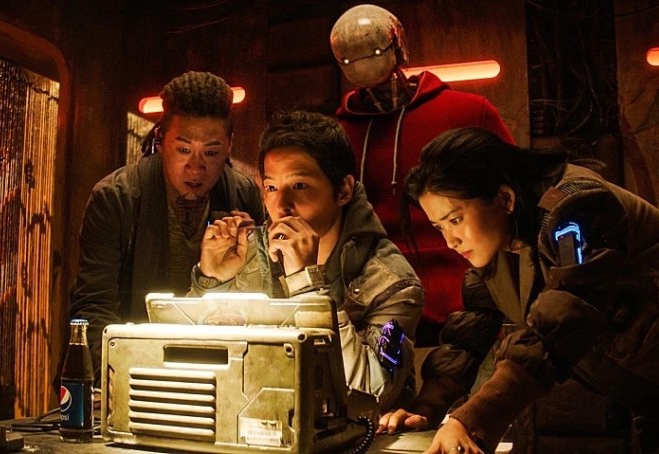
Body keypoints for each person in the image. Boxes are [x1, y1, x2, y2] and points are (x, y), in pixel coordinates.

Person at [395, 127, 659, 453]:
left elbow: (568, 308)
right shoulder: (496, 249)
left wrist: (474, 419)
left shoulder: (578, 209)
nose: (450, 241)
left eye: (455, 220)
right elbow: (468, 336)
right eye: (439, 226)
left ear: (504, 198)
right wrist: (426, 409)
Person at [189, 111, 424, 411]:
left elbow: (372, 393)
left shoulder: (391, 280)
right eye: (271, 188)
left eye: (299, 186)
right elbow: (193, 370)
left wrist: (308, 287)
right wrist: (212, 283)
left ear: (343, 190)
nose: (281, 205)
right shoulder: (249, 253)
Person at [330, 4, 515, 344]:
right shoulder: (337, 136)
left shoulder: (467, 113)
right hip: (378, 306)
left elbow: (518, 198)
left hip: (472, 303)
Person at [66, 71, 264, 378]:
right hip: (131, 364)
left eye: (211, 152)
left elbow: (260, 306)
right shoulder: (117, 198)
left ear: (229, 146)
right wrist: (112, 380)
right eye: (183, 149)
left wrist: (253, 258)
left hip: (216, 366)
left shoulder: (242, 194)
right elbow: (94, 308)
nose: (196, 167)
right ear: (160, 140)